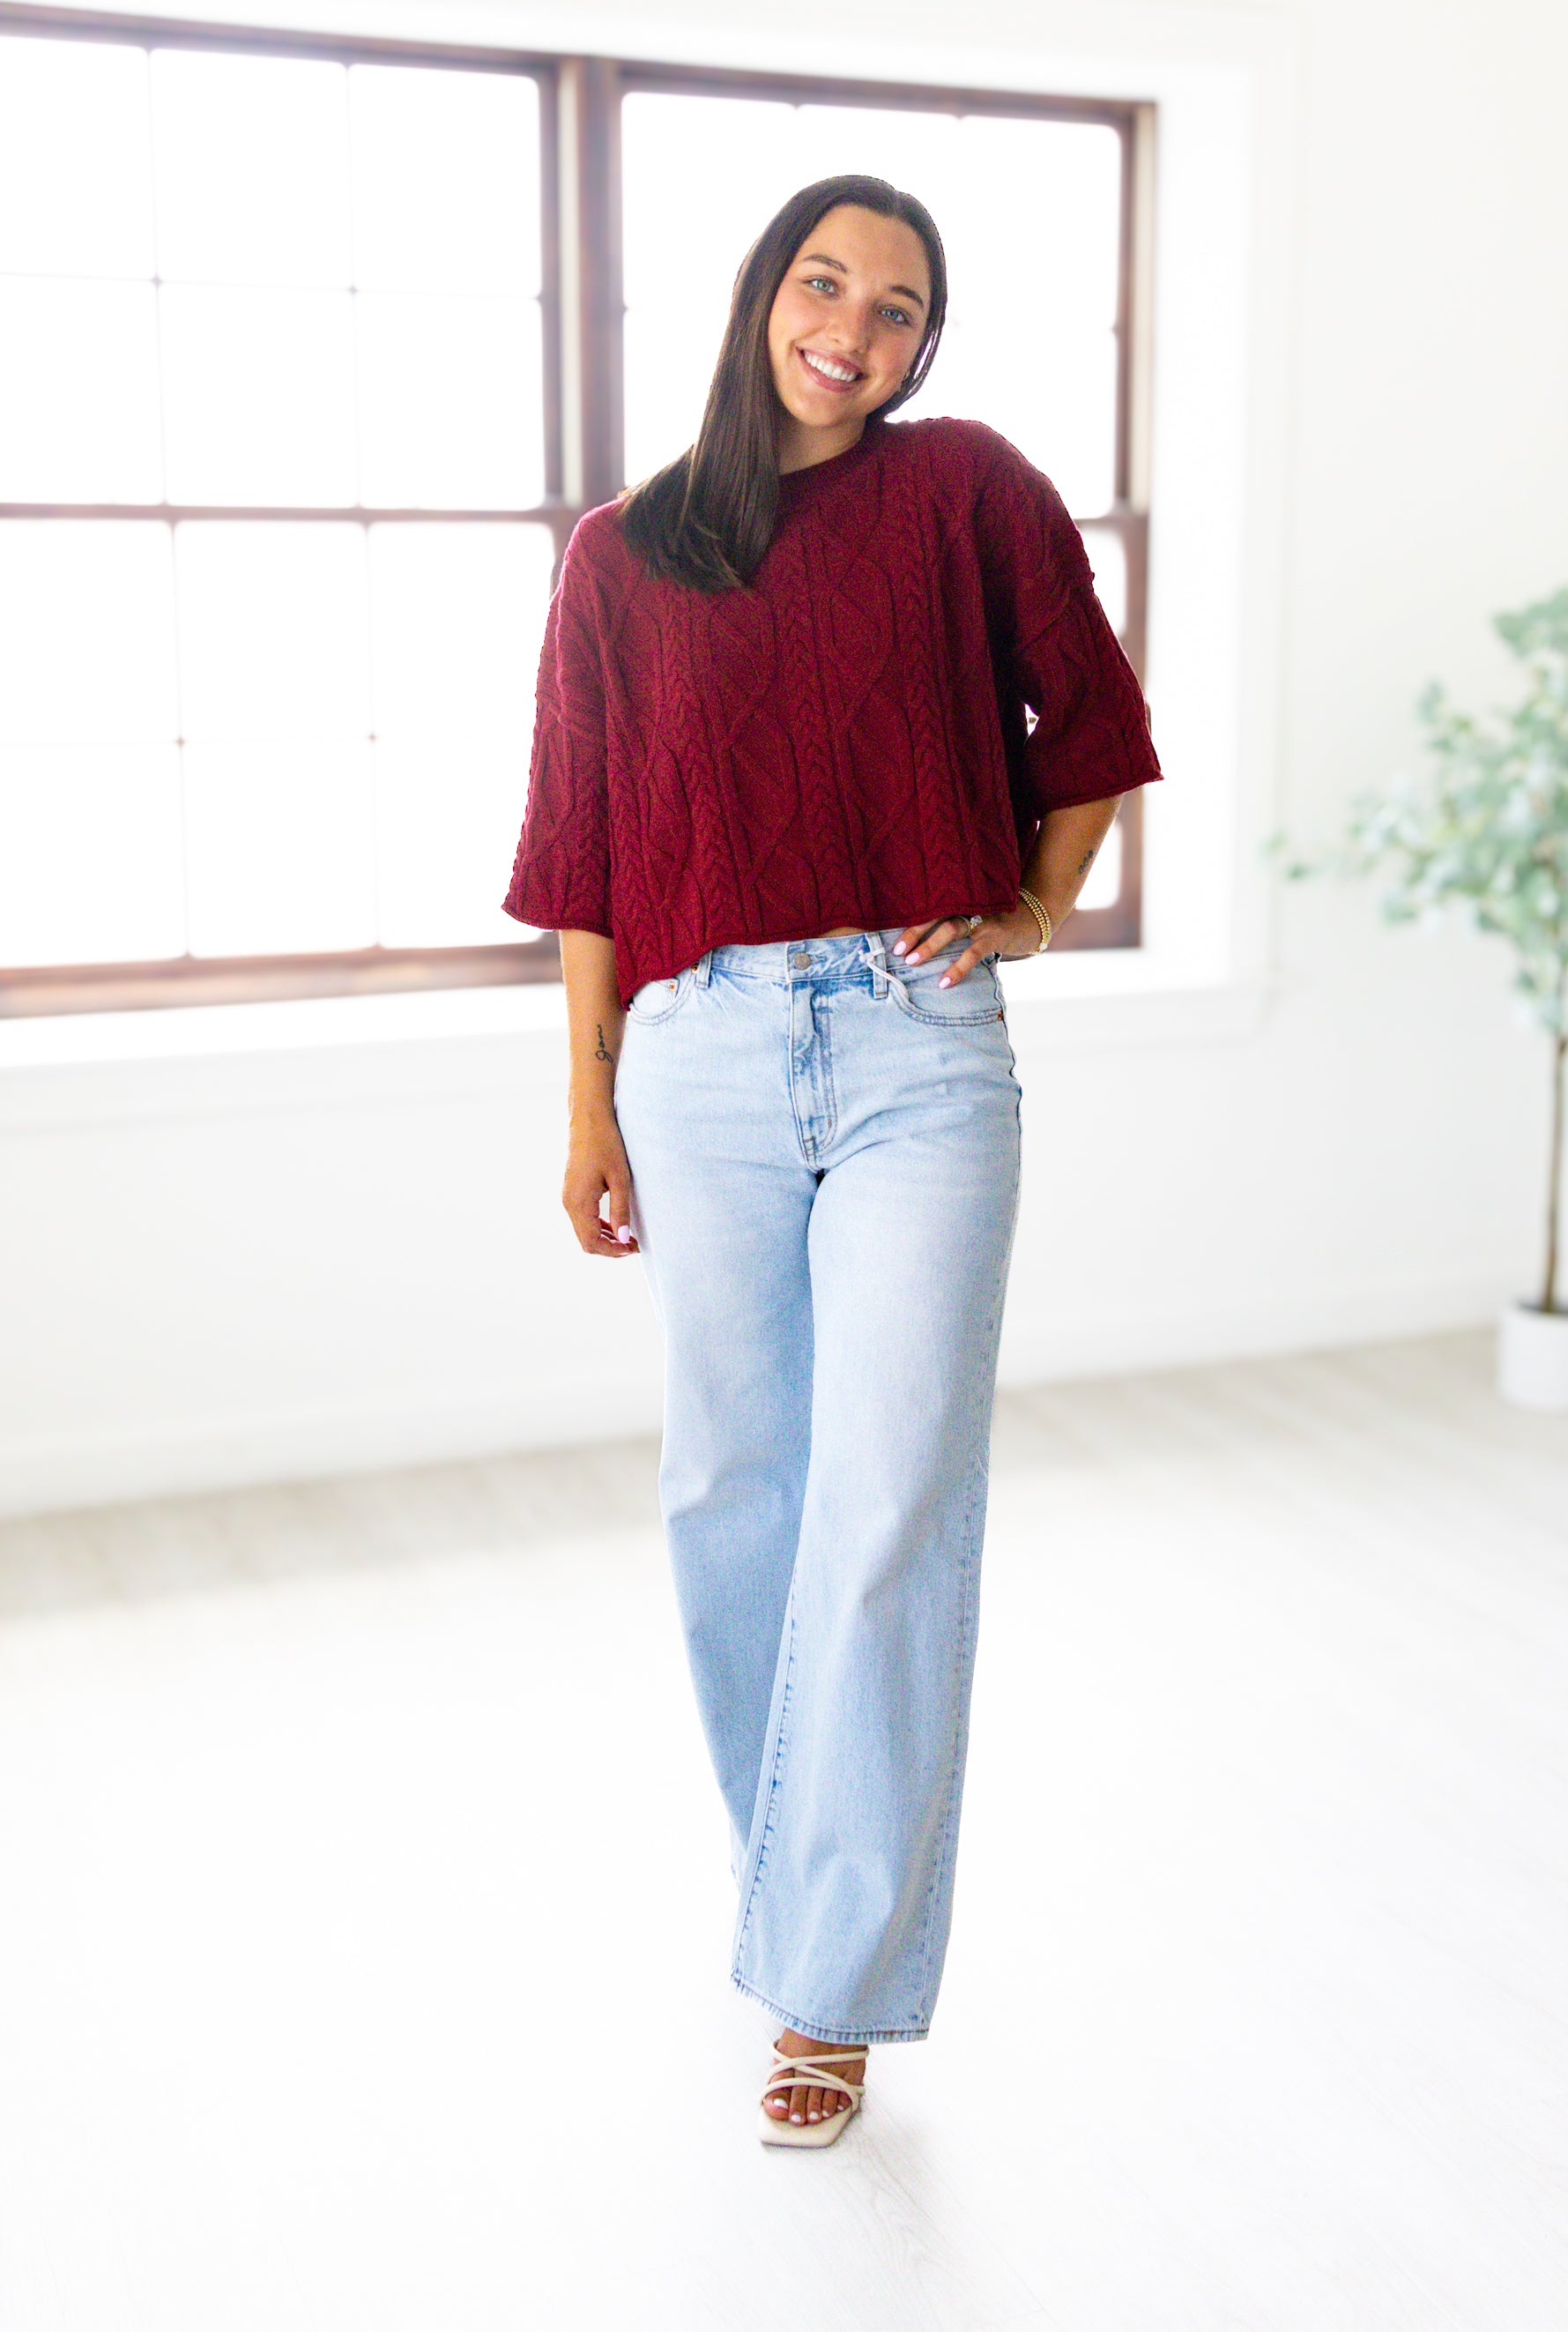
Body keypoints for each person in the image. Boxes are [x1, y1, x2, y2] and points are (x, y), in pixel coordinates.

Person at [504, 172, 1163, 2148]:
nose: (855, 329)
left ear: (924, 347)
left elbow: (1098, 729)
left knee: (887, 1495)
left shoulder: (968, 491)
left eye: (898, 306)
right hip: (695, 1055)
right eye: (824, 283)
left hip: (915, 1050)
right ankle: (802, 1885)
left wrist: (1035, 915)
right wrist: (586, 1098)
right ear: (760, 295)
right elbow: (586, 850)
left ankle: (827, 1985)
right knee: (734, 1490)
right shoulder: (621, 555)